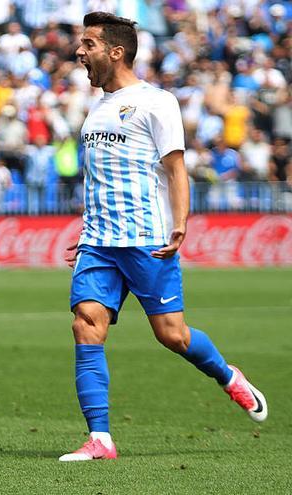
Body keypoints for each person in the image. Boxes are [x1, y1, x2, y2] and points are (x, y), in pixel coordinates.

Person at [61, 12, 267, 462]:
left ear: (115, 51)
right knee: (85, 325)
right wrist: (85, 228)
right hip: (99, 240)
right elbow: (100, 178)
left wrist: (181, 222)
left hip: (146, 238)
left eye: (89, 44)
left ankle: (228, 376)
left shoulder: (157, 102)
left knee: (171, 334)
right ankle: (101, 439)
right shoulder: (95, 108)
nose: (80, 52)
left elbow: (175, 168)